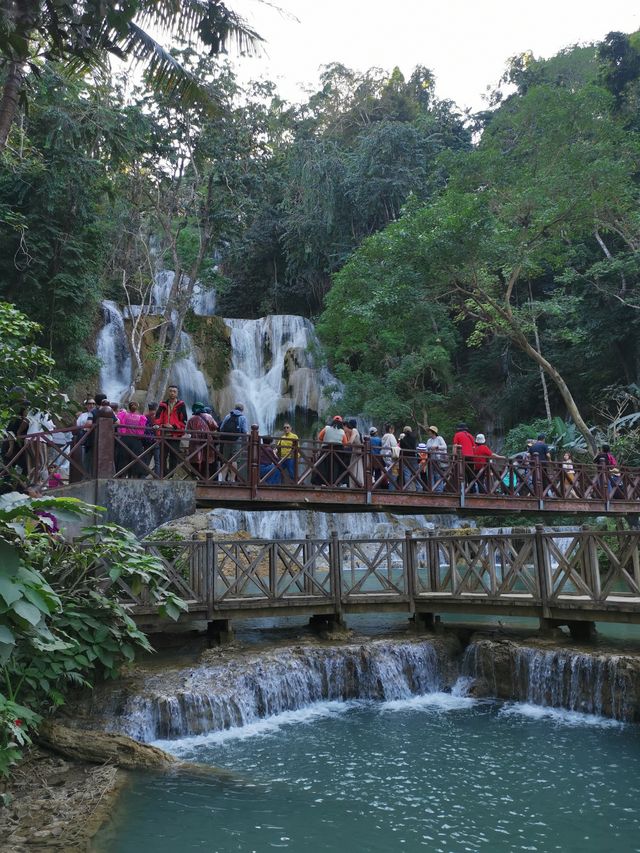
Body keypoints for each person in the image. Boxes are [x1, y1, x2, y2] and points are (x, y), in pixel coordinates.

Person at [155, 385, 187, 476]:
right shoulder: (162, 405)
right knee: (162, 456)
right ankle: (164, 474)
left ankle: (171, 475)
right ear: (168, 392)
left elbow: (184, 420)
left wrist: (174, 426)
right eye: (170, 391)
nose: (172, 393)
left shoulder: (181, 405)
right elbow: (158, 417)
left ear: (177, 393)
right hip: (164, 434)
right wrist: (159, 425)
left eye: (174, 391)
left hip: (175, 434)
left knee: (174, 455)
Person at [218, 403, 248, 482]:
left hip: (226, 440)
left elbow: (221, 428)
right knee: (234, 460)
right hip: (236, 441)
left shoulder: (228, 416)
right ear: (242, 410)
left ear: (235, 408)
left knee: (225, 460)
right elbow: (244, 431)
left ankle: (222, 479)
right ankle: (232, 479)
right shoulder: (243, 418)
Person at [117, 401, 148, 478]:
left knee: (123, 457)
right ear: (137, 408)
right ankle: (135, 475)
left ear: (129, 407)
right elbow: (141, 430)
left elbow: (119, 420)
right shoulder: (141, 417)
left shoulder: (124, 415)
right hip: (136, 440)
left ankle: (122, 475)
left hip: (125, 438)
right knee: (136, 458)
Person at [317, 416, 348, 486]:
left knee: (323, 466)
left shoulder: (326, 428)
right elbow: (345, 443)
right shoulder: (342, 432)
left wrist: (325, 441)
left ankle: (323, 482)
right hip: (338, 452)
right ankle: (336, 482)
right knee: (337, 467)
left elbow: (319, 437)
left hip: (326, 450)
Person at [186, 403, 212, 479]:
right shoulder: (208, 417)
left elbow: (187, 431)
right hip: (206, 442)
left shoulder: (191, 418)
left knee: (194, 459)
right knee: (205, 459)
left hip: (194, 442)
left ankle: (195, 476)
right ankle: (204, 478)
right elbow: (215, 426)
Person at [425, 425, 447, 494]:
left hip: (438, 459)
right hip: (431, 459)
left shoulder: (439, 438)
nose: (428, 433)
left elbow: (444, 447)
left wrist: (437, 447)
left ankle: (439, 490)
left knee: (438, 474)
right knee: (430, 474)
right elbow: (426, 448)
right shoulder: (429, 440)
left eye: (430, 431)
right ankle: (432, 489)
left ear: (433, 432)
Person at [399, 425, 418, 490]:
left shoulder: (402, 439)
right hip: (413, 457)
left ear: (404, 432)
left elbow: (401, 448)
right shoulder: (414, 438)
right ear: (411, 431)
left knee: (407, 473)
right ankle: (419, 488)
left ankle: (408, 488)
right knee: (416, 473)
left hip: (405, 458)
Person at [346, 418, 364, 488]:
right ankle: (357, 484)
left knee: (354, 468)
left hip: (356, 452)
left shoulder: (354, 430)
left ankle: (356, 484)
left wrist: (344, 444)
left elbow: (351, 441)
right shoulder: (358, 431)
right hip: (357, 452)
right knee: (356, 467)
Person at [381, 423, 399, 489]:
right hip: (392, 458)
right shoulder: (391, 436)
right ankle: (392, 490)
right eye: (393, 429)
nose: (394, 430)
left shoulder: (384, 437)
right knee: (394, 475)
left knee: (389, 474)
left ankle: (390, 488)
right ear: (390, 429)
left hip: (385, 457)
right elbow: (394, 445)